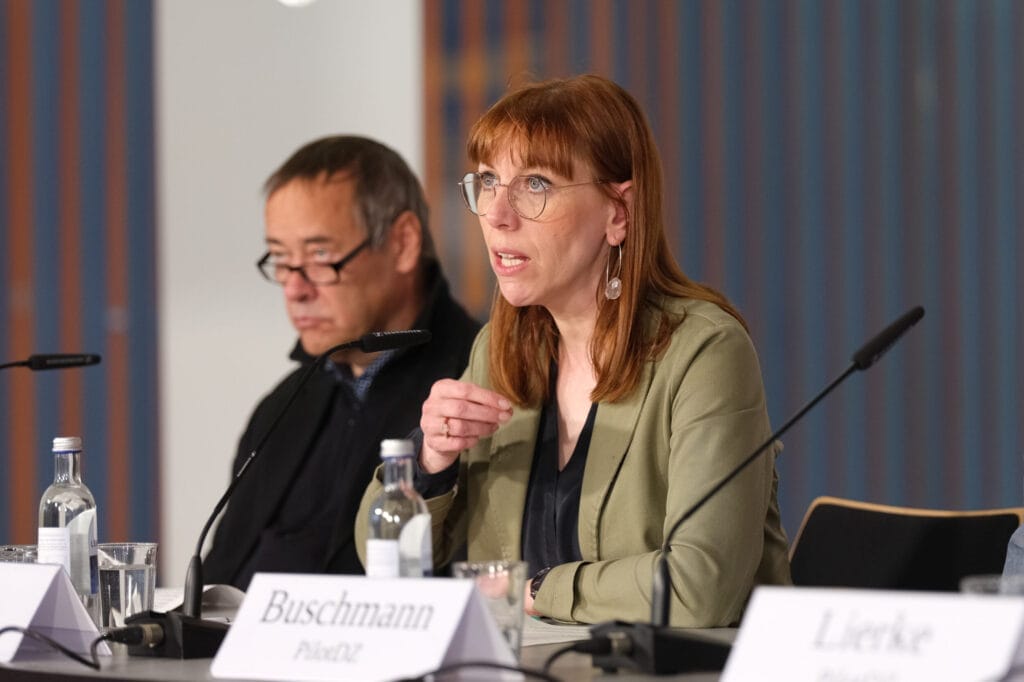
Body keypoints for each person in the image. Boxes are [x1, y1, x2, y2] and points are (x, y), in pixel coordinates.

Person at [356, 75, 791, 627]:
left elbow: (697, 588)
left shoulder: (703, 353)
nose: (497, 214)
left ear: (618, 213)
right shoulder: (503, 350)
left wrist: (535, 590)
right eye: (489, 181)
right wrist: (428, 465)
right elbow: (379, 559)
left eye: (535, 185)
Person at [204, 135, 480, 589]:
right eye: (281, 259)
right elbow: (218, 586)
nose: (295, 288)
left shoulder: (472, 387)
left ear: (403, 243)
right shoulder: (282, 406)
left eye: (319, 256)